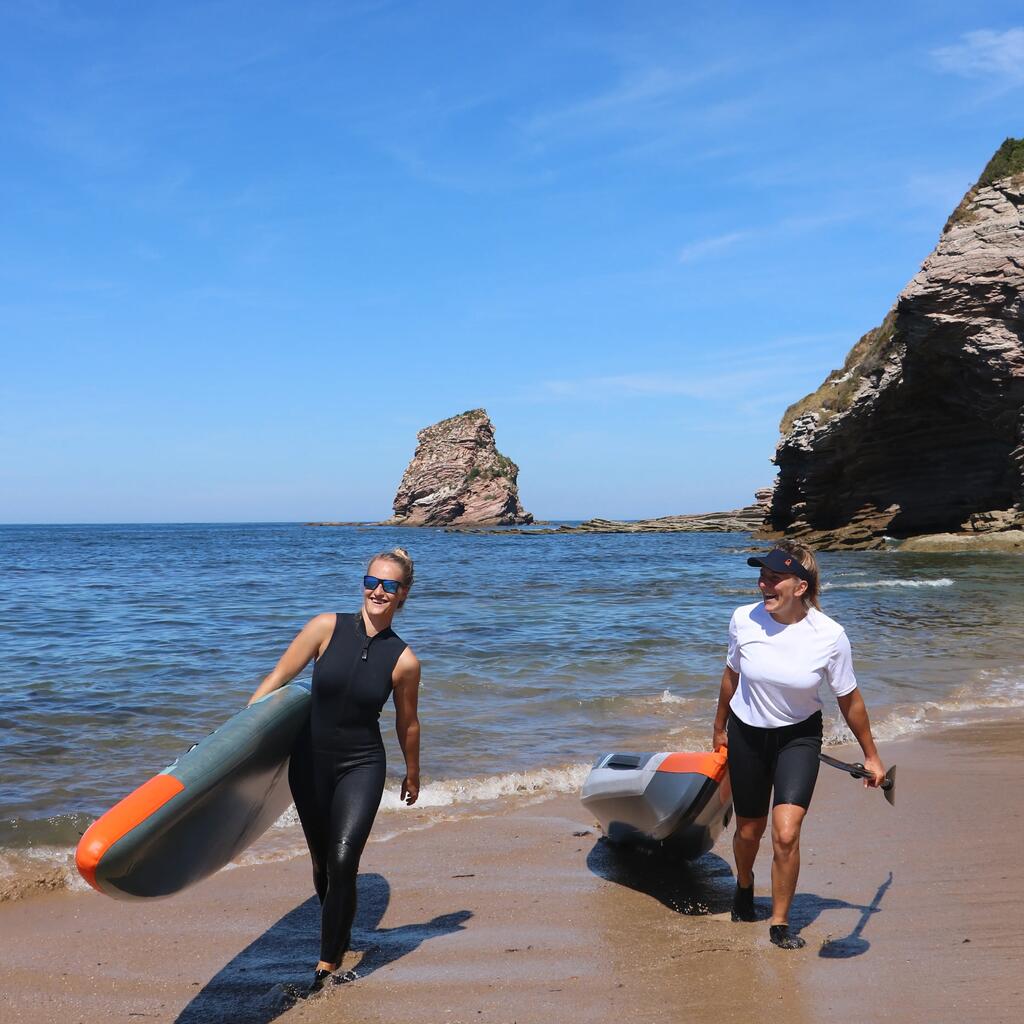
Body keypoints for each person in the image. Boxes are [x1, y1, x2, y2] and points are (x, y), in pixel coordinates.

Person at [248, 548, 421, 993]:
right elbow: (277, 680)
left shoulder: (404, 661)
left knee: (345, 859)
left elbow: (407, 722)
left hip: (362, 764)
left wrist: (412, 771)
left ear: (403, 595)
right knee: (324, 865)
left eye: (389, 586)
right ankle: (339, 929)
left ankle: (327, 960)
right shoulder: (325, 627)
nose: (378, 591)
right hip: (309, 762)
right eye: (371, 582)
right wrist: (242, 731)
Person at [712, 541, 885, 950]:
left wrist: (871, 754)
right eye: (762, 577)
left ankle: (780, 922)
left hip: (799, 737)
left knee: (786, 834)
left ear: (801, 586)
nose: (763, 585)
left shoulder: (829, 636)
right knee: (749, 832)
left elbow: (850, 699)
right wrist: (719, 728)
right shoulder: (743, 620)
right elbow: (730, 676)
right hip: (747, 733)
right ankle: (744, 882)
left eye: (774, 579)